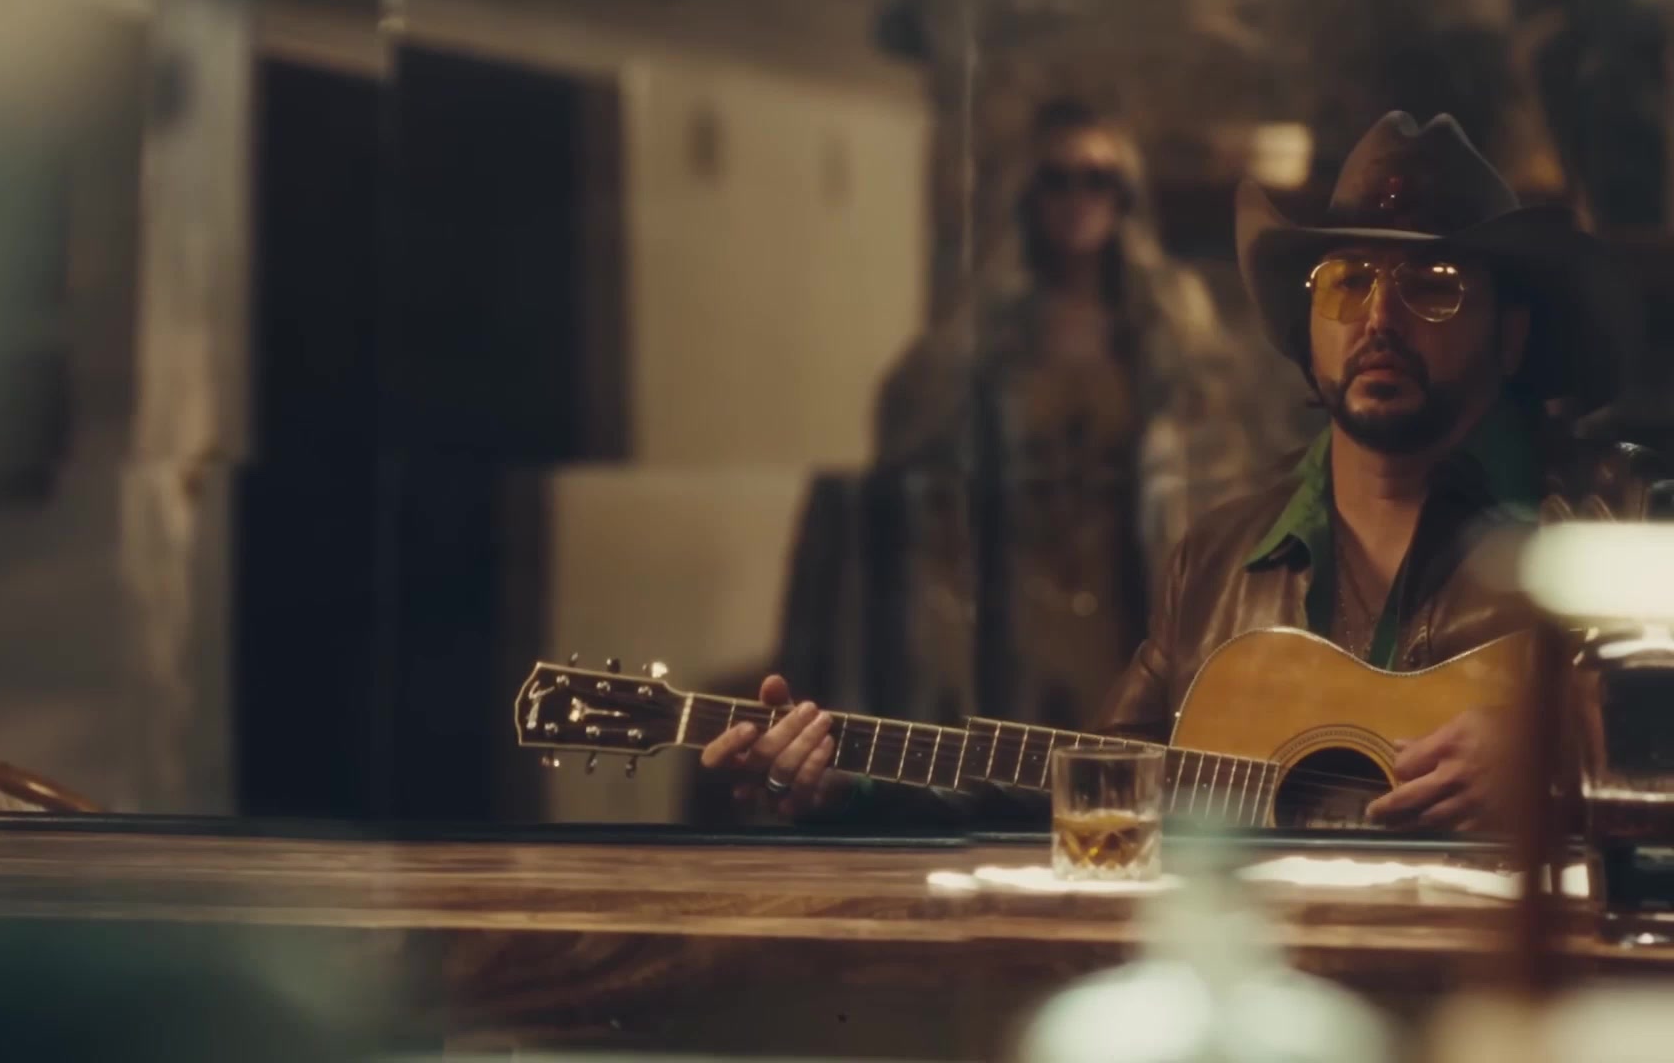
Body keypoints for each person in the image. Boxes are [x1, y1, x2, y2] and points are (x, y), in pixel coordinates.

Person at [712, 111, 1668, 830]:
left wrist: (1567, 758)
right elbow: (1094, 790)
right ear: (1308, 329)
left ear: (1511, 336)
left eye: (1434, 286)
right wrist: (851, 784)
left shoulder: (1608, 525)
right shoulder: (1216, 559)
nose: (1380, 319)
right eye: (1348, 282)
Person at [772, 99, 1292, 754]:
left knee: (1118, 763)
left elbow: (1218, 485)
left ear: (1124, 197)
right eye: (1058, 179)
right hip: (1011, 604)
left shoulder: (1171, 335)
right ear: (1030, 194)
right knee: (1009, 768)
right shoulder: (976, 340)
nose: (1078, 199)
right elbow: (913, 466)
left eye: (1099, 180)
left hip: (1127, 598)